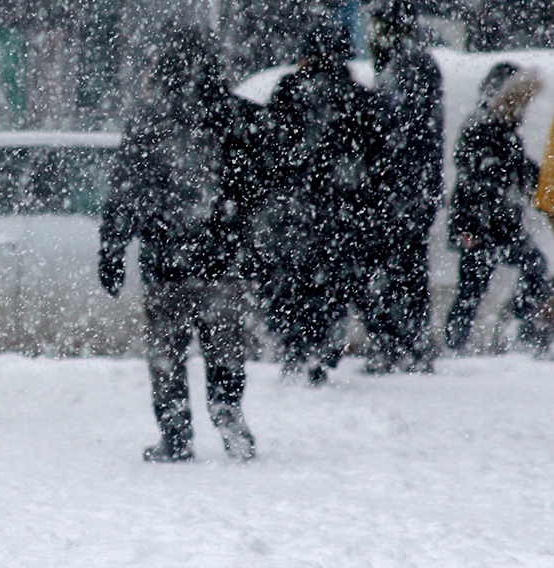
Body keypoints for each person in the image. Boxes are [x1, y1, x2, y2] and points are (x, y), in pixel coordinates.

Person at [99, 27, 266, 463]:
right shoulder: (239, 117)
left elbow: (124, 193)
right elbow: (263, 187)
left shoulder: (148, 122)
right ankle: (228, 411)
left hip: (165, 259)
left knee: (167, 353)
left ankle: (175, 433)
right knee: (225, 348)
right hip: (224, 260)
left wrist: (113, 251)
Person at [260, 22, 390, 385]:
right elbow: (378, 160)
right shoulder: (358, 97)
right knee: (333, 286)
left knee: (291, 282)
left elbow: (269, 148)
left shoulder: (288, 91)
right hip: (343, 212)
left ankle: (293, 348)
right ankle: (321, 351)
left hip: (294, 210)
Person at [445, 63, 551, 354]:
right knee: (472, 290)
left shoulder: (502, 131)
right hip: (481, 228)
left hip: (500, 227)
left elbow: (520, 171)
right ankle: (460, 344)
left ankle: (512, 326)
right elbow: (472, 184)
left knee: (526, 271)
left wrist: (542, 185)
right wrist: (469, 229)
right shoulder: (481, 128)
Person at [368, 1, 444, 373]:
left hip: (403, 189)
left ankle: (403, 345)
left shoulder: (408, 64)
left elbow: (401, 126)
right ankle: (405, 344)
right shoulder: (409, 62)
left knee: (401, 268)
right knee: (405, 268)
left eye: (376, 23)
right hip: (409, 187)